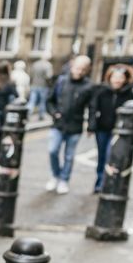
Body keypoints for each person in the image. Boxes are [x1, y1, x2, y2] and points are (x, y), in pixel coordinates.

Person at [45, 55, 93, 194]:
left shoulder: (89, 86)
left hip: (75, 126)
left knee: (69, 156)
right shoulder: (61, 81)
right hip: (58, 124)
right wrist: (54, 113)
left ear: (87, 70)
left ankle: (64, 180)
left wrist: (91, 126)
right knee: (53, 150)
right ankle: (55, 175)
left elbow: (92, 107)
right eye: (78, 68)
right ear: (72, 66)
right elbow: (49, 101)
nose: (79, 71)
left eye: (83, 69)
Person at [88, 64, 133, 193]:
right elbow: (93, 108)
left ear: (125, 79)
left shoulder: (129, 93)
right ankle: (99, 182)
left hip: (118, 131)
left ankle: (107, 183)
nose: (117, 80)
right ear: (109, 78)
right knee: (102, 156)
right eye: (115, 77)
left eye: (121, 77)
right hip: (102, 129)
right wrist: (91, 126)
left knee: (111, 156)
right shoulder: (101, 90)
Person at [29, 56, 53, 120]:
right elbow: (49, 76)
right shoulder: (48, 65)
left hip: (34, 85)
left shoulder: (35, 64)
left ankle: (28, 113)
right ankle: (41, 115)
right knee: (42, 101)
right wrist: (50, 84)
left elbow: (31, 74)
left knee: (32, 101)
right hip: (43, 86)